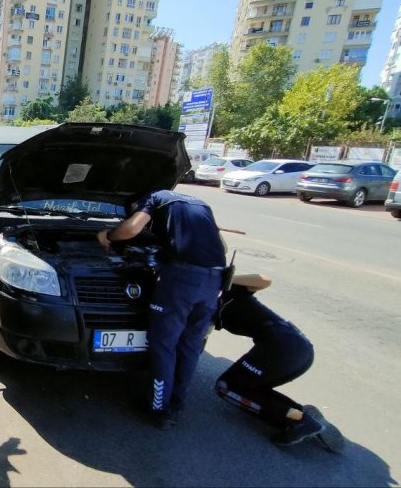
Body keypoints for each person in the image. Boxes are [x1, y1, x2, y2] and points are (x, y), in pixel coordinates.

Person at [97, 190, 225, 429]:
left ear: (137, 204)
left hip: (181, 280)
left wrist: (109, 236)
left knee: (164, 345)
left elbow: (132, 229)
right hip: (213, 279)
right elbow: (223, 245)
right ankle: (176, 403)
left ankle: (158, 409)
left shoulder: (153, 199)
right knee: (189, 345)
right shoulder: (199, 203)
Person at [215, 273, 345, 452]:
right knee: (251, 387)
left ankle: (298, 421)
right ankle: (298, 412)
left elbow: (264, 279)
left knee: (227, 387)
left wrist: (224, 277)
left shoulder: (229, 289)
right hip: (297, 348)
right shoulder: (197, 299)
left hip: (283, 348)